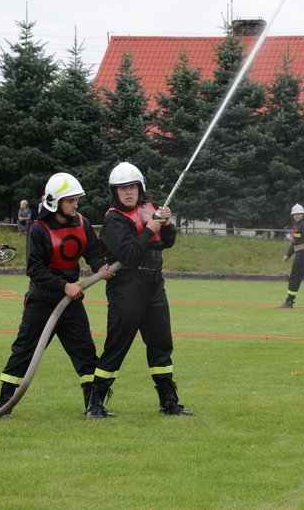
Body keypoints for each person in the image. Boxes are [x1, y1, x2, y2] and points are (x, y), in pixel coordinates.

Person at [0, 173, 114, 417]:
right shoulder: (39, 229)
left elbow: (92, 252)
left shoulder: (82, 223)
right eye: (70, 200)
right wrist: (64, 286)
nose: (75, 205)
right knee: (24, 351)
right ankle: (4, 404)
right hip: (42, 301)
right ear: (55, 202)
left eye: (76, 199)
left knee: (85, 352)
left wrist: (99, 266)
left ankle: (93, 406)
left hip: (70, 302)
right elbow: (35, 270)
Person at [87, 162, 195, 418]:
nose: (128, 192)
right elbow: (130, 255)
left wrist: (166, 223)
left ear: (140, 188)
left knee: (161, 343)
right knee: (117, 345)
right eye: (123, 188)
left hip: (154, 284)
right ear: (115, 192)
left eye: (132, 187)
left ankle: (169, 402)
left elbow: (167, 242)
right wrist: (149, 229)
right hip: (127, 286)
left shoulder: (150, 209)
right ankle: (95, 403)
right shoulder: (114, 219)